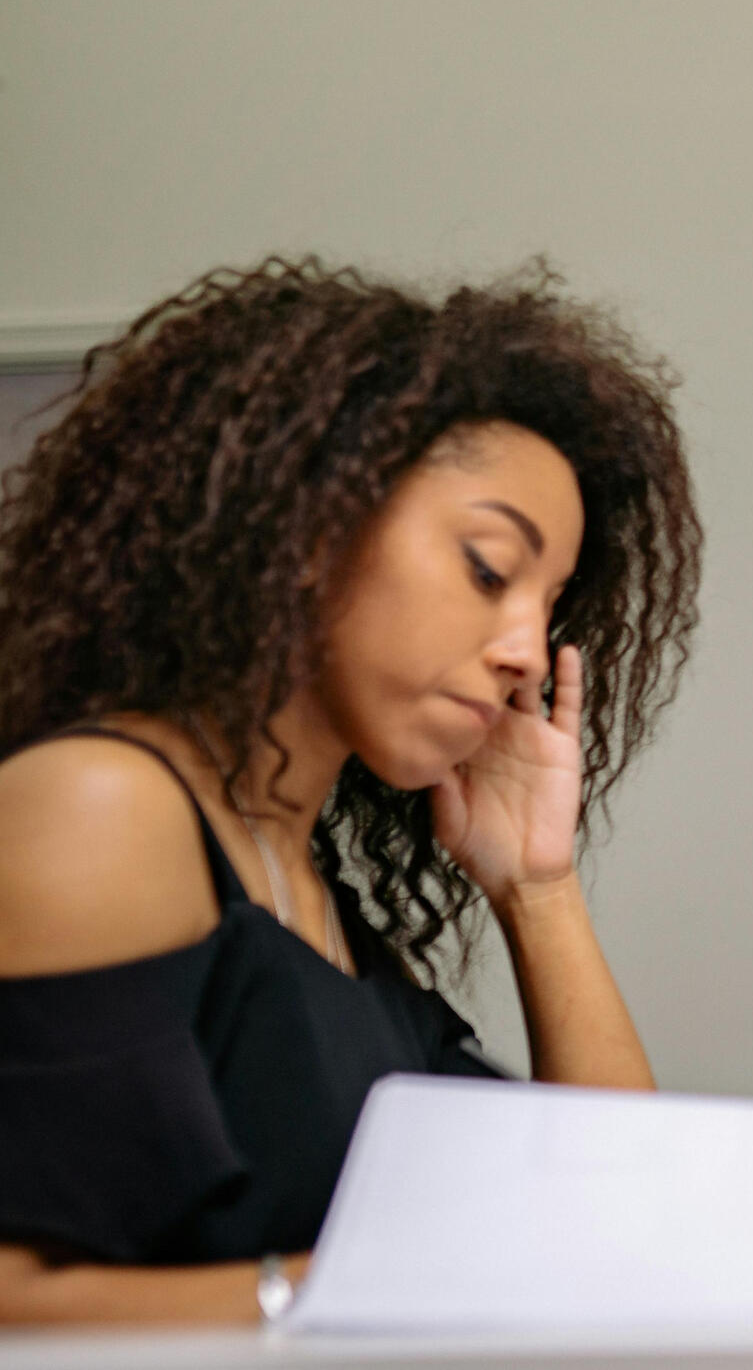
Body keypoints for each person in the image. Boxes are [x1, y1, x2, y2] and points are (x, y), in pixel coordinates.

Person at [0, 259, 702, 1324]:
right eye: (486, 567)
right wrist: (348, 1297)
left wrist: (537, 884)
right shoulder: (104, 807)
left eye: (548, 603)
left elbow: (613, 1207)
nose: (525, 649)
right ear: (308, 523)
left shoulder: (309, 892)